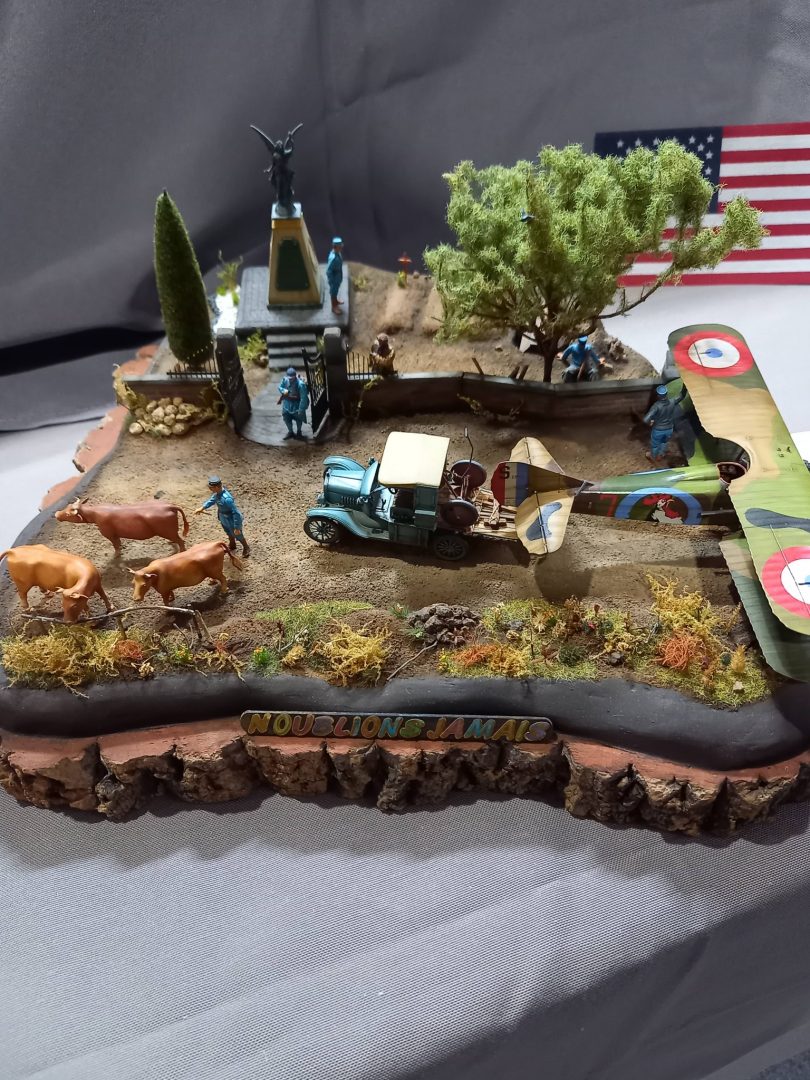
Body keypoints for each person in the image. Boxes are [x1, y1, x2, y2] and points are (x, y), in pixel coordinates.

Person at [195, 477, 249, 557]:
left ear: (217, 487)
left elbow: (236, 513)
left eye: (211, 487)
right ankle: (232, 544)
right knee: (228, 532)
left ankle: (246, 547)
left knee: (237, 534)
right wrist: (202, 508)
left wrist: (237, 527)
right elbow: (211, 501)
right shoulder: (217, 494)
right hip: (223, 517)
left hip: (231, 519)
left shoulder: (227, 499)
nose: (210, 489)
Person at [643, 384, 688, 463]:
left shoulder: (656, 406)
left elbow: (646, 419)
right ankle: (661, 454)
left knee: (655, 444)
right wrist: (685, 386)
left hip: (658, 429)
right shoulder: (672, 402)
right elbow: (682, 396)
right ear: (666, 394)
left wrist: (651, 421)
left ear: (658, 396)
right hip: (669, 428)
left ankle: (653, 456)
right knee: (664, 442)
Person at [278, 365, 310, 440]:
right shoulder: (285, 380)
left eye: (292, 378)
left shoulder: (300, 384)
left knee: (299, 419)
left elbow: (303, 398)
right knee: (286, 418)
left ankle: (299, 432)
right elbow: (280, 387)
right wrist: (285, 392)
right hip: (287, 404)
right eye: (289, 378)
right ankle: (290, 432)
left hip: (297, 405)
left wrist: (301, 409)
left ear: (295, 376)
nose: (290, 380)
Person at [326, 237, 344, 314]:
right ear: (335, 247)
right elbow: (328, 271)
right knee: (333, 292)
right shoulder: (333, 258)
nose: (341, 247)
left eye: (341, 246)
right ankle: (334, 307)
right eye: (339, 246)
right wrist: (331, 281)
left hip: (338, 276)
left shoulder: (338, 253)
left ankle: (336, 301)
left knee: (336, 291)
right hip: (334, 278)